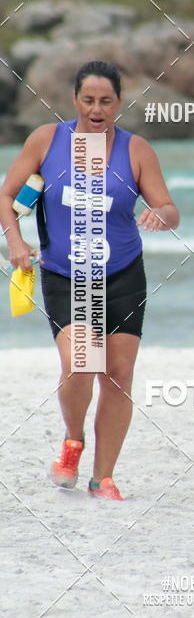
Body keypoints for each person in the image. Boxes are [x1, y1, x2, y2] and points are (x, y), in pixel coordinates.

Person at [0, 61, 179, 501]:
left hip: (122, 276)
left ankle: (104, 477)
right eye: (88, 100)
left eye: (106, 101)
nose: (96, 109)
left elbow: (170, 208)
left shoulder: (137, 151)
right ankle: (73, 439)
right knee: (81, 363)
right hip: (66, 276)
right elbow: (7, 195)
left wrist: (160, 215)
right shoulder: (47, 141)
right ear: (74, 100)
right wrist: (16, 244)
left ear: (119, 102)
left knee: (117, 377)